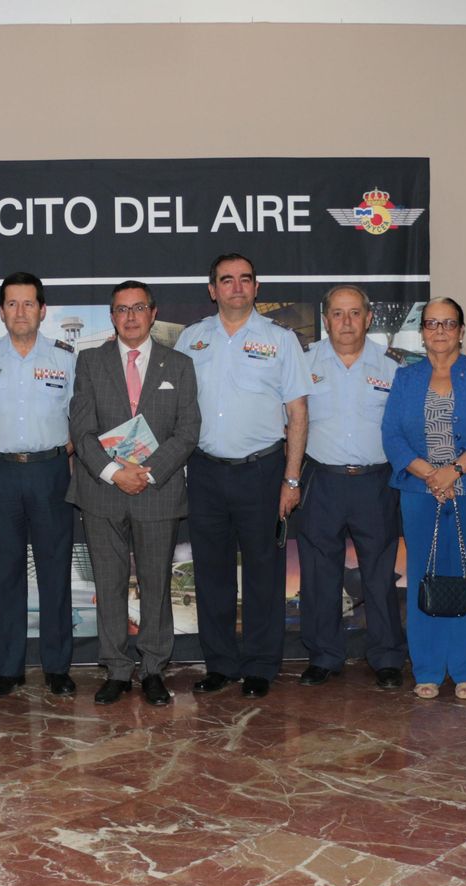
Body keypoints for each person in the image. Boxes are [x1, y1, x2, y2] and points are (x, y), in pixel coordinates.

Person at [175, 253, 309, 698]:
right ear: (212, 290)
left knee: (263, 575)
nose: (236, 287)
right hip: (206, 472)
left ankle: (259, 665)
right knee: (210, 573)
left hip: (262, 470)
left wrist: (291, 480)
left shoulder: (281, 340)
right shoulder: (190, 340)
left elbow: (298, 412)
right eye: (226, 280)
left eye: (244, 279)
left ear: (256, 287)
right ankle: (220, 664)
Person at [68, 281, 200, 706]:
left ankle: (154, 669)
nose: (129, 316)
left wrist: (147, 473)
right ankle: (117, 669)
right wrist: (112, 473)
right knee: (108, 585)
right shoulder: (89, 362)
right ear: (112, 316)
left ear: (152, 313)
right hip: (103, 491)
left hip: (155, 491)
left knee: (156, 583)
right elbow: (81, 429)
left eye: (138, 308)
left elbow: (188, 430)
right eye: (121, 309)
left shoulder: (178, 365)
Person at [383, 297, 466, 699]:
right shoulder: (406, 377)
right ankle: (427, 669)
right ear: (421, 331)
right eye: (431, 323)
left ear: (461, 330)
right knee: (423, 575)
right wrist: (429, 475)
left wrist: (454, 471)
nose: (439, 331)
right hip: (420, 492)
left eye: (448, 323)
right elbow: (392, 435)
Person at [0, 272, 77, 698]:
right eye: (12, 304)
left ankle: (58, 667)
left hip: (50, 472)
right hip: (2, 474)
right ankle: (8, 669)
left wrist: (51, 452)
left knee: (54, 572)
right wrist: (3, 447)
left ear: (42, 310)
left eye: (29, 303)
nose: (21, 311)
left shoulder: (65, 358)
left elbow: (77, 420)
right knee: (6, 573)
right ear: (2, 311)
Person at [297, 286, 408, 690]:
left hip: (375, 483)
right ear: (326, 319)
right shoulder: (303, 363)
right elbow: (285, 421)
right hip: (321, 480)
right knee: (318, 574)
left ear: (369, 318)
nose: (346, 322)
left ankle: (386, 658)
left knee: (379, 576)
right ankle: (324, 656)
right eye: (338, 314)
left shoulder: (394, 368)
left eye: (354, 313)